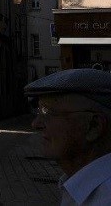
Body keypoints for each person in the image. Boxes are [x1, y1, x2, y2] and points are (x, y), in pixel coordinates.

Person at [25, 68, 111, 205]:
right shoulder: (78, 186)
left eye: (48, 112)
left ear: (94, 126)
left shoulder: (105, 197)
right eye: (38, 111)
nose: (36, 124)